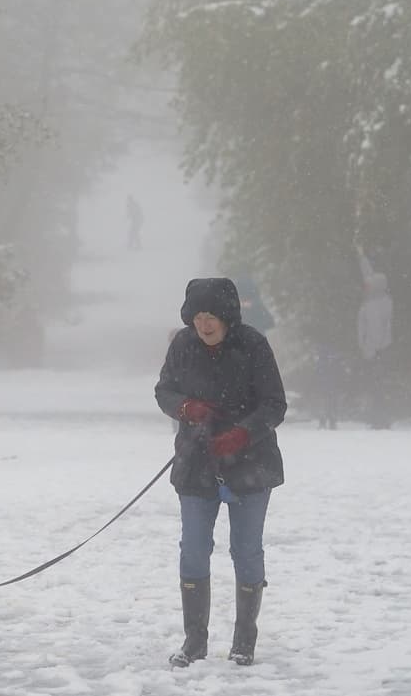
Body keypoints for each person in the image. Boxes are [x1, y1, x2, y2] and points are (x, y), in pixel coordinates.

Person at [154, 278, 286, 668]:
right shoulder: (182, 345)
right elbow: (164, 391)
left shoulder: (253, 345)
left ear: (227, 316)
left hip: (250, 465)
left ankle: (244, 639)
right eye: (197, 316)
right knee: (193, 549)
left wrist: (243, 433)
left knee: (246, 550)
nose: (204, 324)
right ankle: (194, 640)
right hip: (196, 464)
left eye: (211, 316)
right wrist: (186, 408)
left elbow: (275, 404)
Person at [356, 245, 393, 428]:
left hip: (378, 351)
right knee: (375, 385)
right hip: (374, 351)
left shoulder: (380, 304)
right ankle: (377, 418)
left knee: (379, 386)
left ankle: (381, 418)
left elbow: (380, 329)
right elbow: (368, 275)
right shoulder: (374, 302)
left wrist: (373, 348)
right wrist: (361, 256)